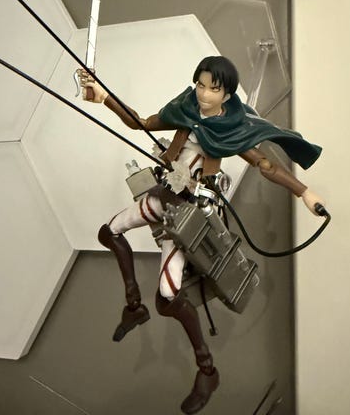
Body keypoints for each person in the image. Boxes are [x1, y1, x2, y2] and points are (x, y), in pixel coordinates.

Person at [83, 56, 325, 414]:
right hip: (163, 195)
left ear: (227, 95)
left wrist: (304, 192)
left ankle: (207, 370)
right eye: (200, 84)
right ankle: (134, 306)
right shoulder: (185, 110)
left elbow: (265, 164)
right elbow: (142, 122)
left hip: (187, 216)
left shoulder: (231, 129)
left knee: (168, 297)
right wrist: (104, 97)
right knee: (109, 231)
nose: (204, 93)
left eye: (213, 88)